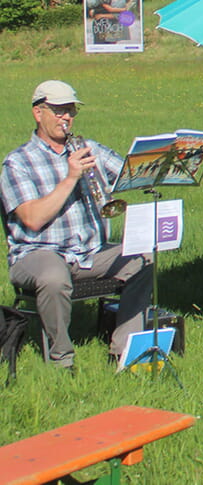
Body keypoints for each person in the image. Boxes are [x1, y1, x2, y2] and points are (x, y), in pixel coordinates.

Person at [0, 81, 153, 369]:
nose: (66, 117)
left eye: (70, 110)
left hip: (88, 252)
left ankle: (125, 351)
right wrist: (70, 177)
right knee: (54, 277)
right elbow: (32, 218)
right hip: (37, 253)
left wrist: (162, 160)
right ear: (38, 112)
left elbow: (129, 174)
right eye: (58, 110)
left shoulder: (87, 147)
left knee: (144, 258)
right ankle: (61, 359)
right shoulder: (18, 163)